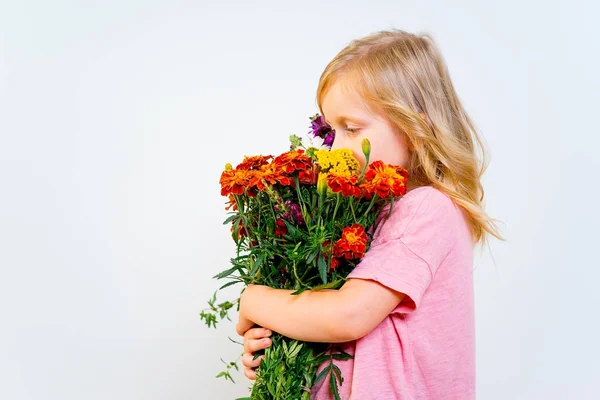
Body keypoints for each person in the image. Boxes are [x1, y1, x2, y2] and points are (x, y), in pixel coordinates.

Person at [235, 28, 505, 399]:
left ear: (415, 128)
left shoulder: (427, 208)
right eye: (332, 131)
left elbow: (347, 315)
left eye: (351, 129)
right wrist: (275, 341)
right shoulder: (367, 215)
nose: (335, 150)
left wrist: (255, 299)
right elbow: (334, 329)